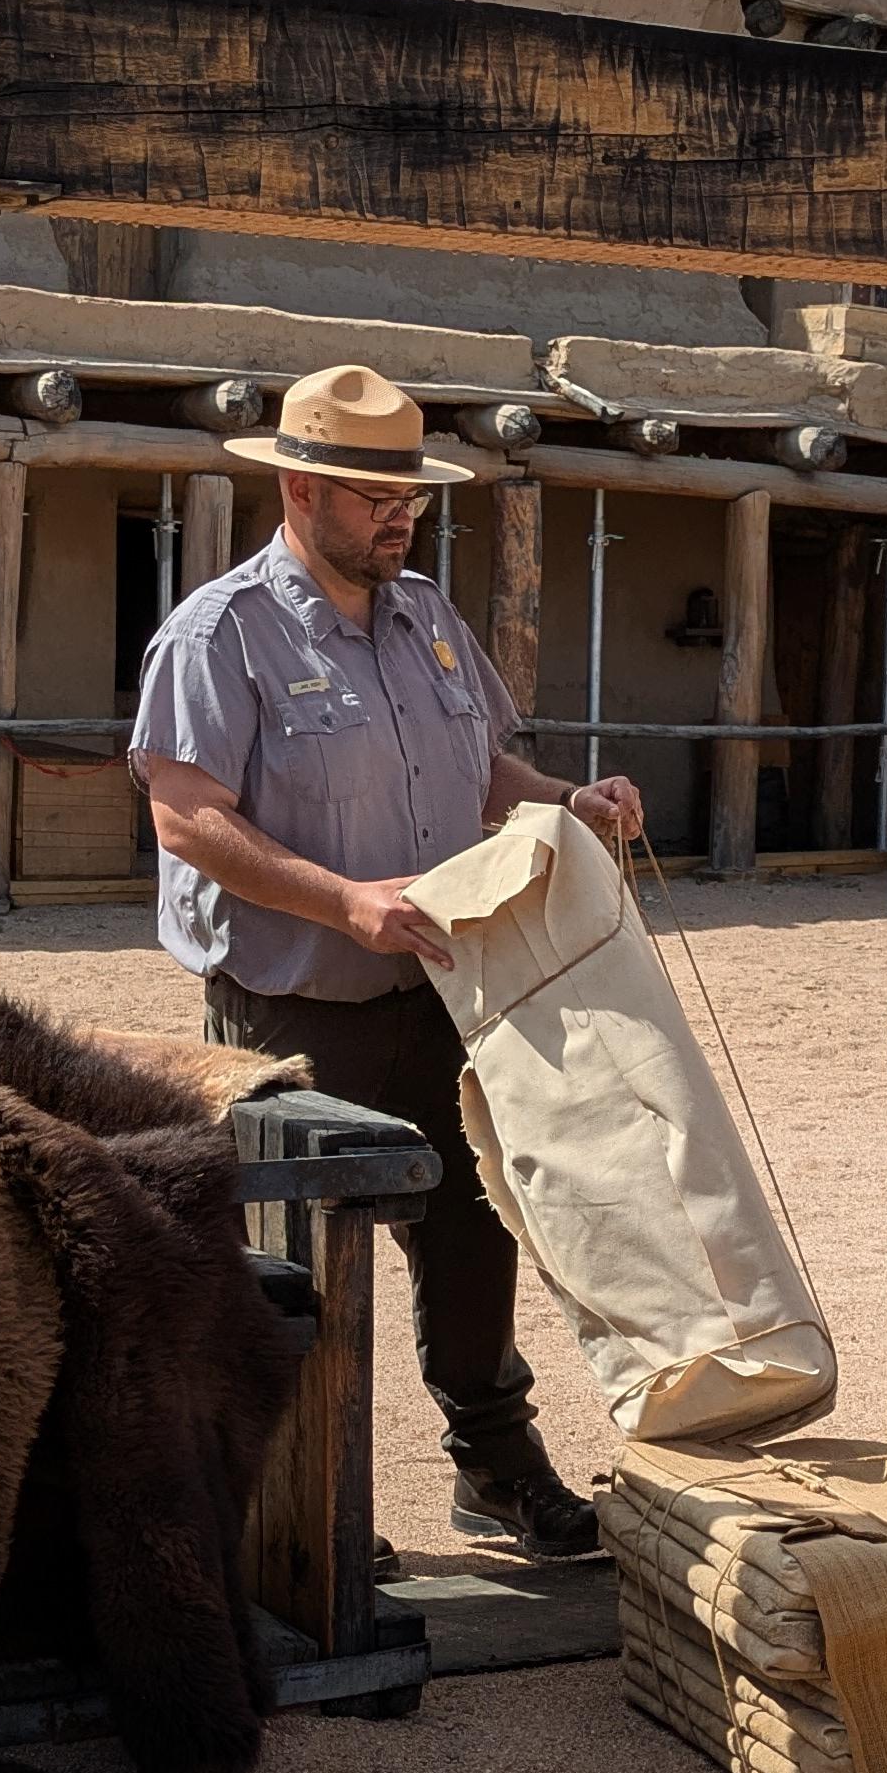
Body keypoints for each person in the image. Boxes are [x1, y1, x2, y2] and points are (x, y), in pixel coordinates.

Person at [126, 366, 649, 1554]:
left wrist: (566, 802)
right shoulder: (219, 633)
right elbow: (186, 817)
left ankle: (494, 1466)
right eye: (374, 496)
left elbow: (481, 773)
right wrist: (342, 900)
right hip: (296, 1008)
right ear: (302, 491)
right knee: (302, 1260)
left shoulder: (428, 617)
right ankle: (299, 1508)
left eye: (408, 495)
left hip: (446, 987)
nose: (399, 516)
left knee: (475, 1225)